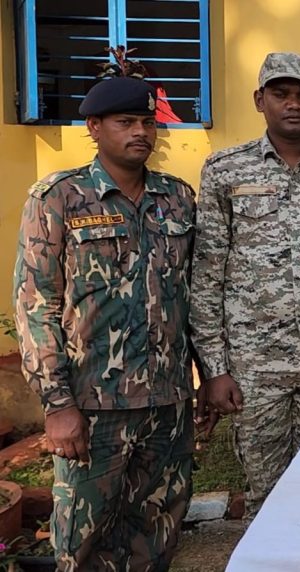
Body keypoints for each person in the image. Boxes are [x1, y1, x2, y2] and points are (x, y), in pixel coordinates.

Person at [13, 76, 195, 570]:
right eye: (125, 122)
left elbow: (192, 295)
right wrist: (57, 405)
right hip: (95, 406)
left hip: (168, 402)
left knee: (158, 532)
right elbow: (35, 306)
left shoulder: (177, 198)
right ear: (94, 127)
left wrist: (205, 376)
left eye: (147, 122)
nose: (140, 132)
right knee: (83, 538)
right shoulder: (59, 198)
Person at [190, 52, 300, 516]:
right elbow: (207, 274)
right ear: (259, 100)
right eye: (280, 94)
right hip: (253, 368)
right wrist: (214, 369)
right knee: (265, 494)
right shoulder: (225, 170)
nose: (293, 104)